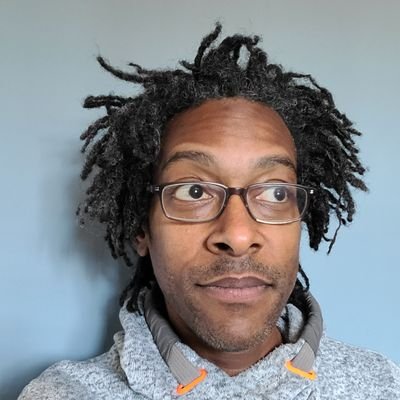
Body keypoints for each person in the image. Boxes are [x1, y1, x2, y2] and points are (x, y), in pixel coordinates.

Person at [19, 24, 400, 399]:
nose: (238, 236)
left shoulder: (382, 385)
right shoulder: (61, 394)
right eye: (195, 191)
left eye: (276, 192)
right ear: (141, 227)